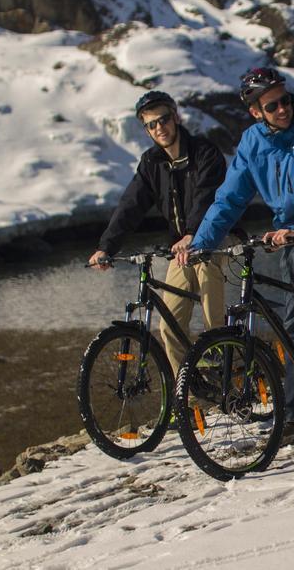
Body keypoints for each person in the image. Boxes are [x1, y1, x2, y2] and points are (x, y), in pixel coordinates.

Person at [182, 67, 294, 446]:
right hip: (290, 228)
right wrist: (202, 242)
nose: (283, 109)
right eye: (272, 105)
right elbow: (230, 197)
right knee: (290, 319)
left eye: (285, 100)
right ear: (255, 112)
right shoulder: (252, 143)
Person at [88, 91, 228, 376]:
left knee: (206, 270)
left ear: (176, 117)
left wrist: (192, 234)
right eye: (151, 125)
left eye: (163, 120)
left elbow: (206, 196)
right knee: (170, 324)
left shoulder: (204, 152)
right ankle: (187, 396)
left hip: (215, 238)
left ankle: (220, 347)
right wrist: (107, 247)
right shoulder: (152, 162)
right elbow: (130, 205)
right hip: (181, 249)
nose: (159, 128)